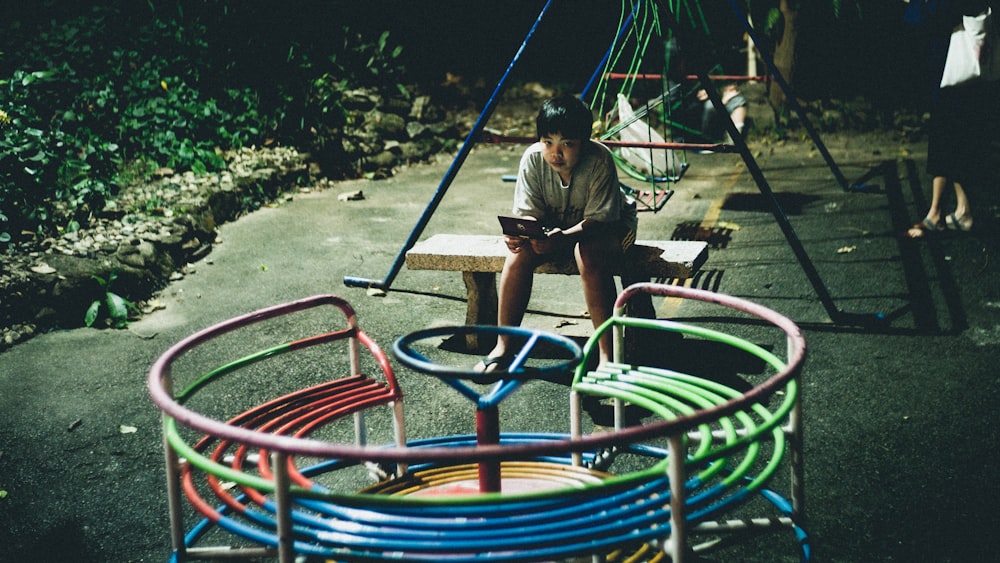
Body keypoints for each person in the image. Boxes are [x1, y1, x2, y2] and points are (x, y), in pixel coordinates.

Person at [475, 94, 638, 373]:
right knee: (516, 255)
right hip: (556, 228)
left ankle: (608, 357)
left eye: (567, 144)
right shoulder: (532, 159)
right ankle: (503, 347)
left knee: (588, 254)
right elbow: (529, 213)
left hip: (610, 228)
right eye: (547, 142)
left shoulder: (600, 160)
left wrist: (562, 238)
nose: (555, 153)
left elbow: (599, 221)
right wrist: (520, 233)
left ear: (584, 143)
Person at [904, 0, 996, 238]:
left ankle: (936, 213)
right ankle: (963, 210)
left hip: (955, 61)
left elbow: (941, 11)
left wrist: (917, 4)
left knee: (946, 131)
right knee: (954, 132)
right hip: (960, 58)